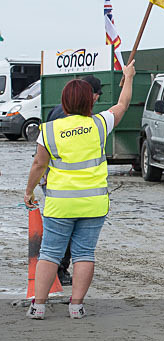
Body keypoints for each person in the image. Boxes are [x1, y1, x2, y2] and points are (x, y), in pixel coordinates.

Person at [24, 60, 136, 319]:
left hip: (60, 204)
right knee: (85, 253)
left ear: (63, 101)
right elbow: (122, 105)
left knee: (50, 253)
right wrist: (128, 77)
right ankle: (76, 306)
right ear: (91, 101)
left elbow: (39, 164)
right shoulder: (99, 124)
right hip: (93, 203)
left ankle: (38, 306)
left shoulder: (49, 130)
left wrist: (29, 190)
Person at [43, 75, 104, 287]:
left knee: (51, 245)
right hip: (78, 191)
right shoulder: (90, 122)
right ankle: (62, 274)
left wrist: (33, 185)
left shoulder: (55, 112)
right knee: (78, 248)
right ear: (90, 96)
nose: (97, 99)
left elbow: (41, 156)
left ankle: (39, 302)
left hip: (55, 185)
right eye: (96, 95)